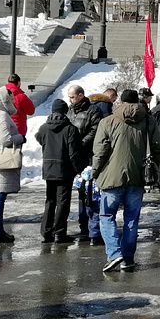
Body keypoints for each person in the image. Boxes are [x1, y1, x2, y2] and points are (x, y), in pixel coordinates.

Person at [91, 89, 160, 272]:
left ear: (121, 102)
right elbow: (159, 146)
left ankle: (114, 253)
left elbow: (100, 151)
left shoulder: (107, 121)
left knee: (107, 216)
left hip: (111, 178)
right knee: (131, 219)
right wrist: (151, 164)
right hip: (138, 177)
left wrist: (95, 172)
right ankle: (128, 259)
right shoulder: (148, 120)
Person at [35, 99, 83, 244]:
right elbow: (73, 153)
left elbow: (39, 138)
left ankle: (46, 231)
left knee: (50, 200)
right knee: (63, 201)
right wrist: (79, 169)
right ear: (65, 111)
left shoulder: (44, 128)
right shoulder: (70, 129)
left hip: (49, 168)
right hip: (64, 170)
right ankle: (60, 233)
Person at [66, 84, 105, 243]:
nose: (70, 100)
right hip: (73, 155)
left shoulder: (93, 111)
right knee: (80, 190)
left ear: (81, 95)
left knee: (89, 191)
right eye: (69, 97)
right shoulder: (70, 110)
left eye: (72, 97)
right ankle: (83, 225)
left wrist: (81, 143)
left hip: (87, 154)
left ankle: (90, 226)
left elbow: (95, 130)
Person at [0, 87, 24, 244]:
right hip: (2, 159)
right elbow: (6, 140)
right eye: (10, 98)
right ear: (3, 99)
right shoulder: (1, 115)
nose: (13, 101)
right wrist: (20, 137)